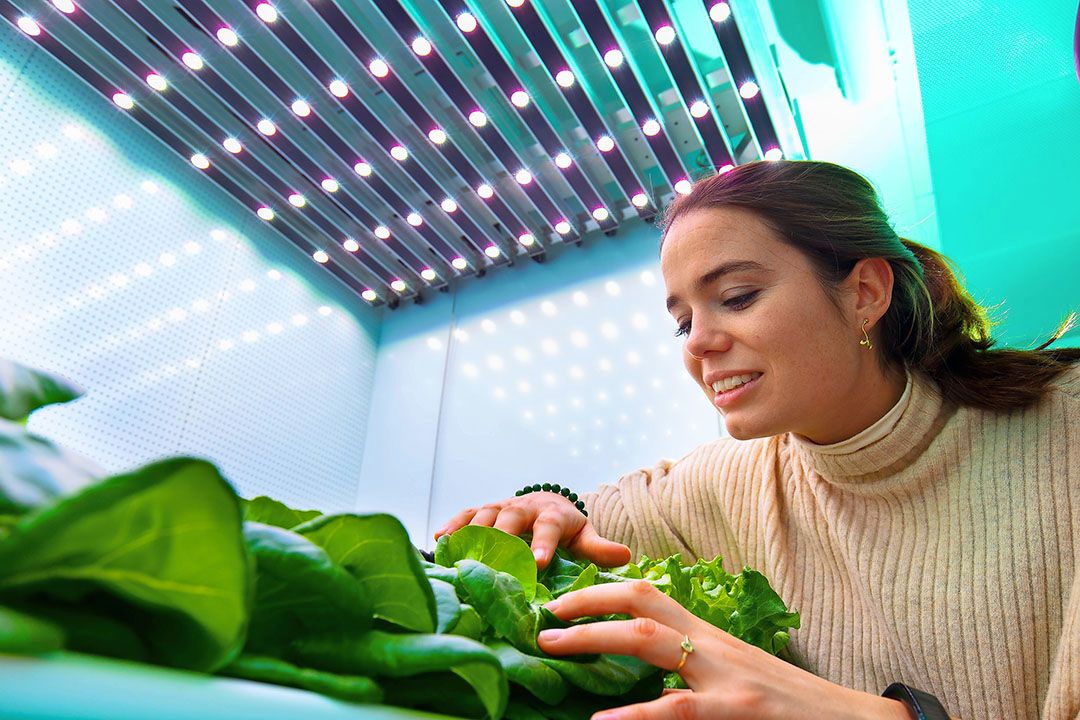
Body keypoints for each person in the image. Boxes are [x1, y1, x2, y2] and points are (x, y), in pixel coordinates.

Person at [436, 160, 1079, 720]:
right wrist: (544, 503)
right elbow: (585, 509)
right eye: (682, 321)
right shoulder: (727, 481)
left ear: (865, 293)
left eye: (737, 297)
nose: (698, 343)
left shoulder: (1065, 426)